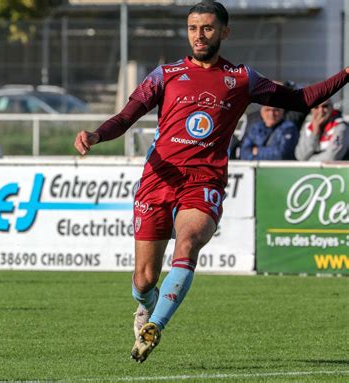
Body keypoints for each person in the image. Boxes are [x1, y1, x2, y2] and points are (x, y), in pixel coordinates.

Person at [74, 1, 348, 363]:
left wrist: (346, 72)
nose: (198, 36)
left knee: (187, 243)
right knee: (143, 280)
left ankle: (155, 326)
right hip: (158, 179)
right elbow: (126, 117)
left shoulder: (242, 79)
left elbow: (300, 100)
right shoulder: (165, 75)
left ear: (224, 31)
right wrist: (95, 135)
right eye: (192, 29)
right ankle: (145, 307)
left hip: (203, 182)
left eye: (206, 28)